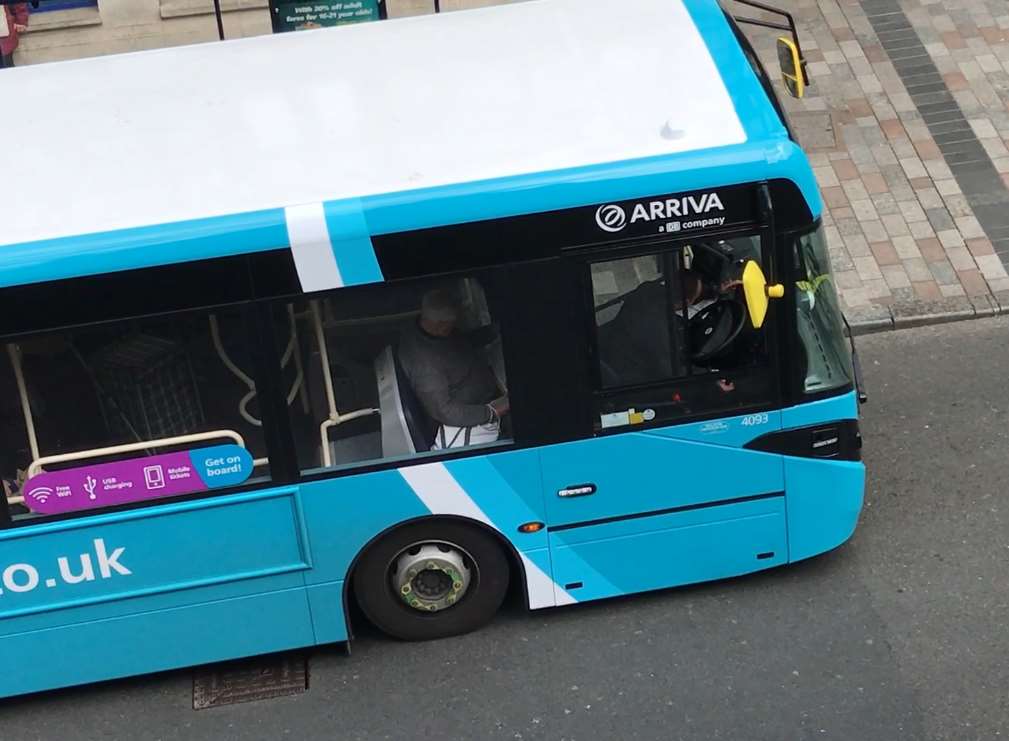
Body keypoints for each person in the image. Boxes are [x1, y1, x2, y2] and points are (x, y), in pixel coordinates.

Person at [398, 288, 509, 450]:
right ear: (440, 325)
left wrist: (493, 331)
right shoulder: (426, 368)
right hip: (475, 409)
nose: (455, 327)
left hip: (482, 380)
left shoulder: (423, 327)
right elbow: (446, 412)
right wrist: (491, 412)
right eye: (452, 325)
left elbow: (459, 342)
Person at [0, 3, 29, 70]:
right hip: (5, 30)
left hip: (5, 32)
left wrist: (21, 22)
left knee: (8, 66)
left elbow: (18, 6)